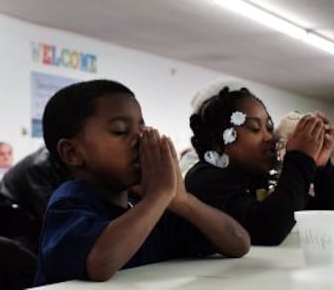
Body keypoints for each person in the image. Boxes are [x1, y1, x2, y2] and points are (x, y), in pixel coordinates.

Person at [35, 80, 250, 285]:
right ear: (72, 153)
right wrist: (159, 195)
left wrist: (183, 201)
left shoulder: (146, 206)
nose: (140, 140)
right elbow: (100, 263)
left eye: (143, 128)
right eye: (120, 131)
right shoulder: (69, 203)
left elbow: (238, 243)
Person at [184, 86, 334, 246]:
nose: (270, 137)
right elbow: (269, 229)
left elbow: (331, 217)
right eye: (255, 128)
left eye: (269, 128)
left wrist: (321, 167)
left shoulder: (257, 179)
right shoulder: (204, 180)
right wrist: (300, 158)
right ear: (218, 142)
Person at [0, 146, 71, 254]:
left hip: (18, 217)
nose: (6, 157)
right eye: (2, 154)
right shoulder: (39, 165)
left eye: (9, 153)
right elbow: (50, 214)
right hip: (8, 220)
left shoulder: (51, 162)